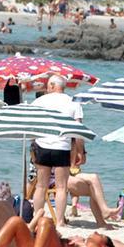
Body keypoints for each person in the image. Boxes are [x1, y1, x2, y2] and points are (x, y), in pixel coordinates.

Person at [29, 76, 85, 223]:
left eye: (48, 85)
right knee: (61, 187)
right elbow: (78, 130)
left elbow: (30, 125)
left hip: (43, 146)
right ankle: (60, 221)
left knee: (41, 186)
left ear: (53, 85)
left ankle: (37, 218)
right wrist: (81, 151)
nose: (47, 88)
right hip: (62, 147)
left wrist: (33, 141)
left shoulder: (39, 101)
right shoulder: (73, 102)